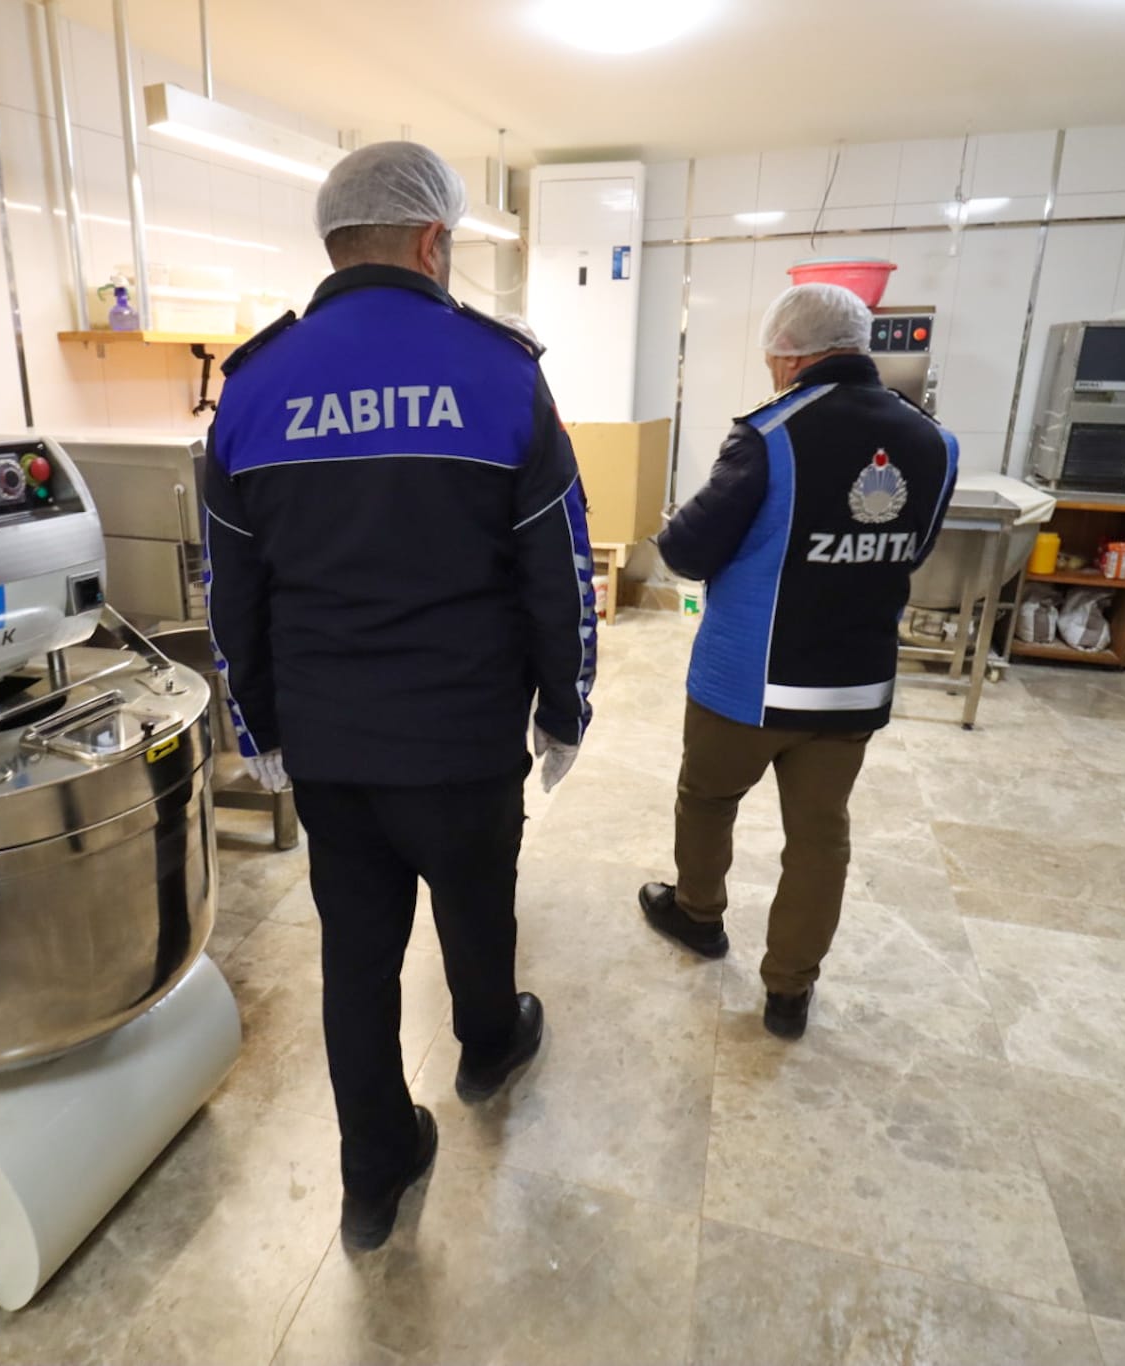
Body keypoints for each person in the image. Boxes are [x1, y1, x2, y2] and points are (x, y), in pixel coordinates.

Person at [202, 141, 597, 1250]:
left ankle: (374, 1174)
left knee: (357, 955)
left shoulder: (251, 387)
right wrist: (563, 706)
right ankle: (487, 1045)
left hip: (329, 745)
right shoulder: (500, 373)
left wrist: (257, 726)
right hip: (463, 737)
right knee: (476, 908)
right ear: (432, 240)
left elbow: (229, 588)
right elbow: (559, 569)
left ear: (335, 241)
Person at [638, 283, 957, 1039]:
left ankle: (699, 915)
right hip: (852, 686)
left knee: (708, 798)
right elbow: (914, 548)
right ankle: (789, 991)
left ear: (788, 356)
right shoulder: (934, 442)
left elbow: (686, 551)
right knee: (821, 836)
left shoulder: (770, 434)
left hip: (749, 682)